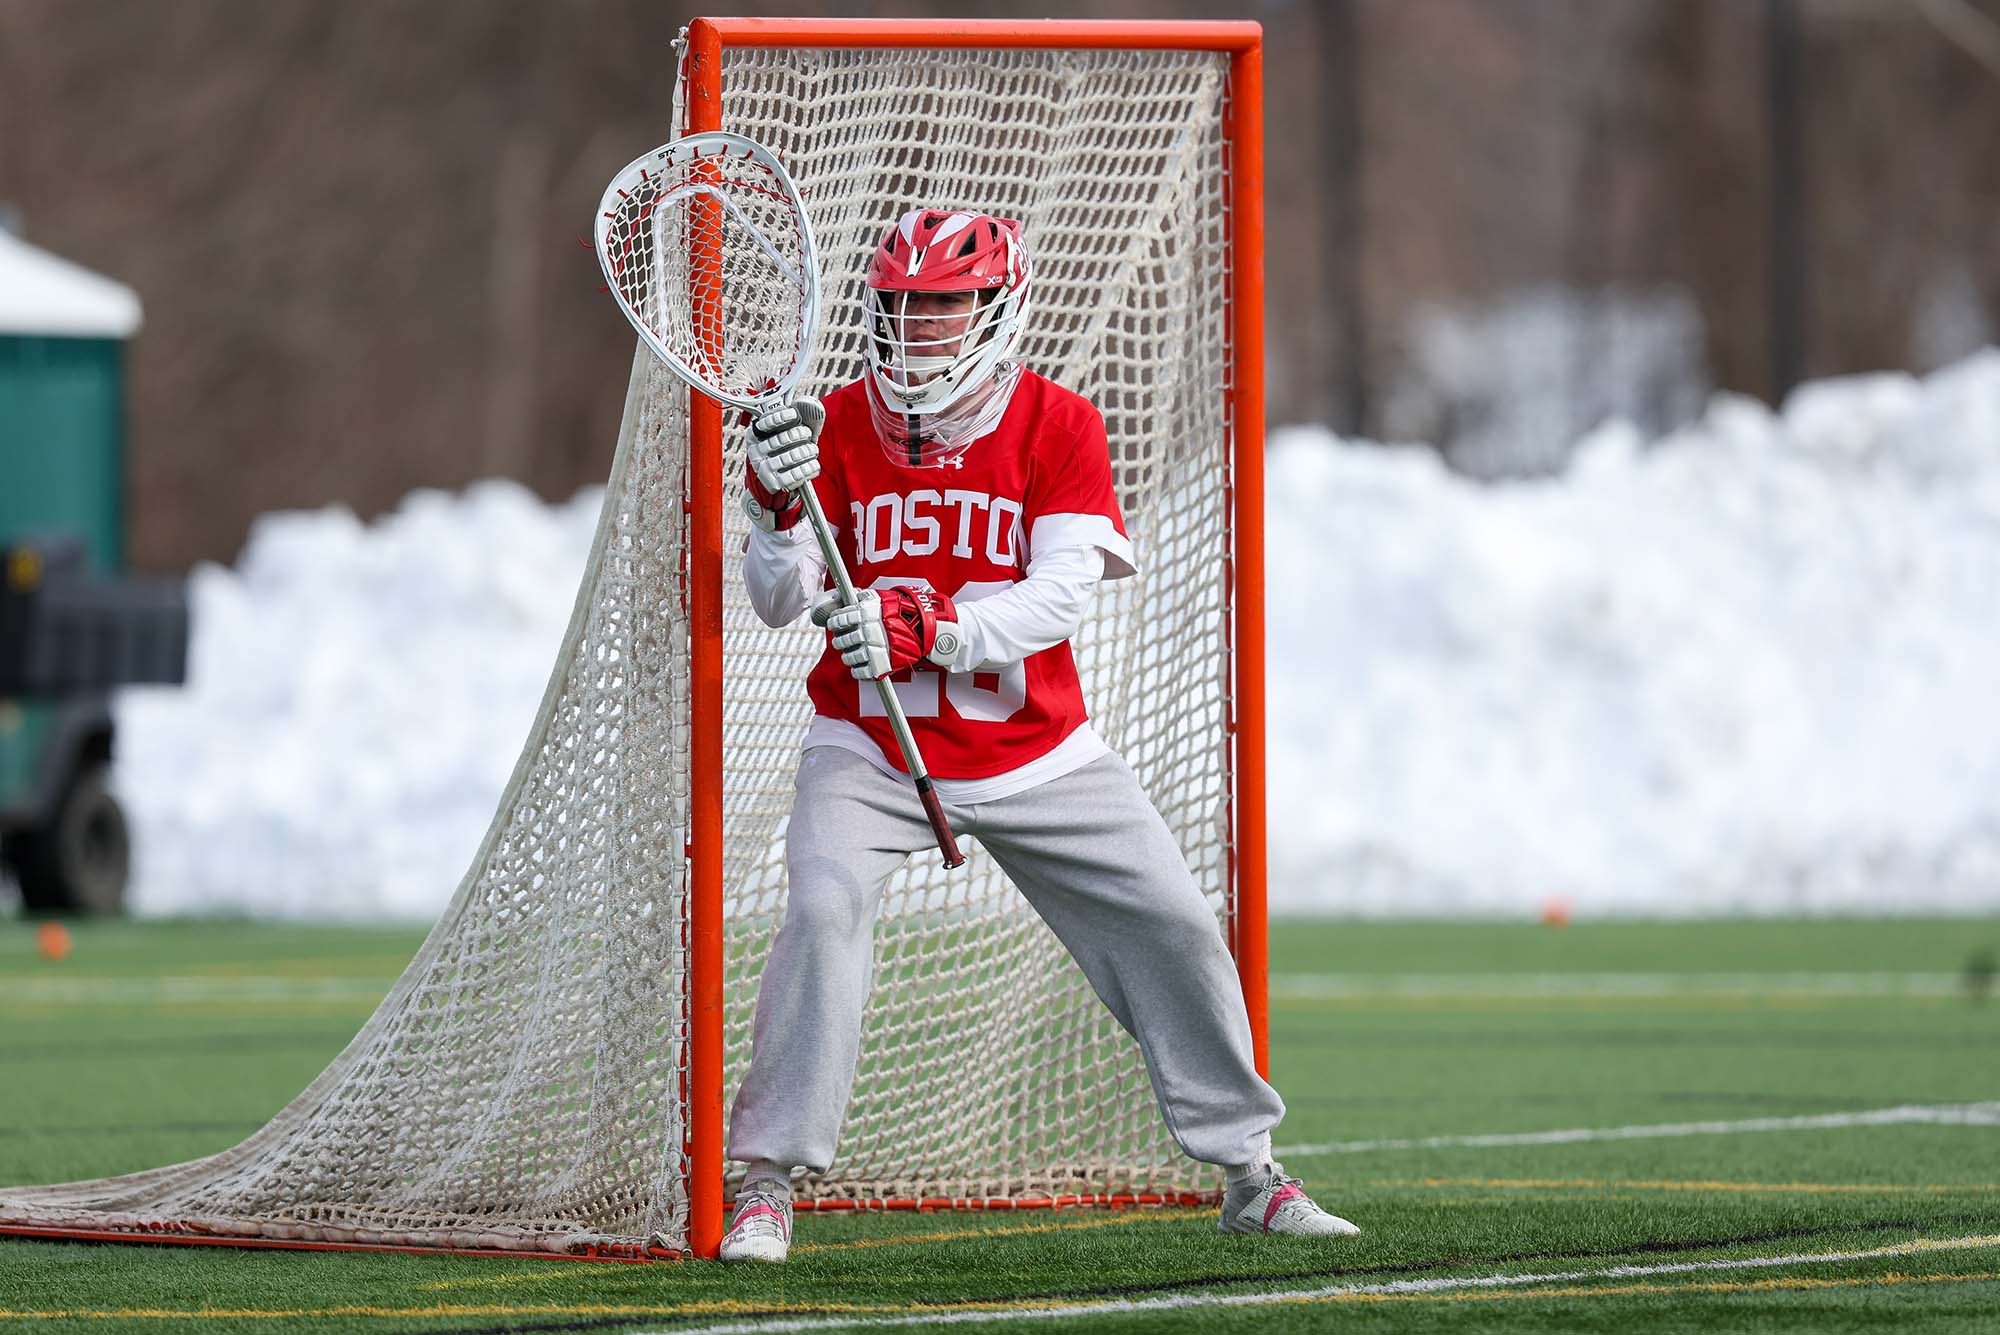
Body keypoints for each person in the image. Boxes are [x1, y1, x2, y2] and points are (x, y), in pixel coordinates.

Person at [720, 208, 1358, 1263]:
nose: (920, 323)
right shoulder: (830, 423)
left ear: (996, 307)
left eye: (944, 302)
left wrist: (937, 626)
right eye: (902, 303)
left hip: (1038, 752)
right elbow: (780, 602)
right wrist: (776, 507)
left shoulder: (1057, 422)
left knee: (1174, 923)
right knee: (821, 911)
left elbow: (1060, 597)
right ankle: (765, 1184)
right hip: (870, 745)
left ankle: (1248, 1172)